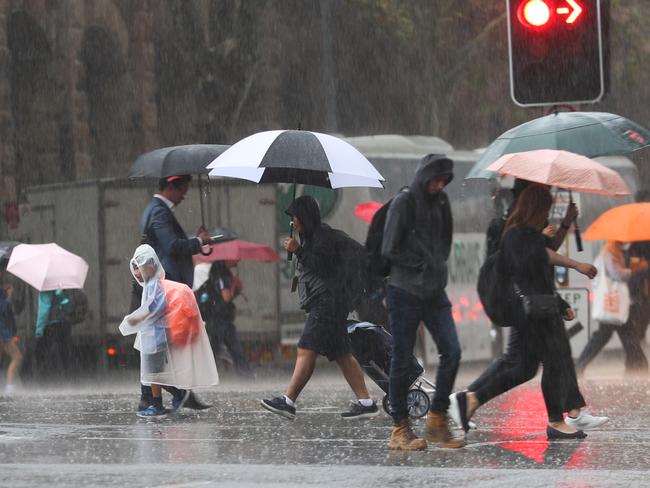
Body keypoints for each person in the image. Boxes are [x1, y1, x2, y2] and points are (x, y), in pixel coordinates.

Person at [450, 185, 607, 440]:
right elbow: (542, 257)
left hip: (538, 308)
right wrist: (576, 264)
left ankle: (470, 400)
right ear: (536, 208)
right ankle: (557, 420)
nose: (547, 212)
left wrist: (566, 223)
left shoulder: (525, 234)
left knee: (524, 367)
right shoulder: (518, 235)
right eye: (545, 208)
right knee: (555, 359)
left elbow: (543, 259)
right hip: (533, 313)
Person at [261, 195, 379, 420]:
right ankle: (366, 402)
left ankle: (288, 401)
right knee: (343, 354)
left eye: (295, 216)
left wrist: (298, 251)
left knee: (306, 349)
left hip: (327, 304)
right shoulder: (312, 237)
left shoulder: (322, 237)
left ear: (304, 216)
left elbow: (325, 269)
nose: (293, 221)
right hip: (329, 304)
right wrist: (299, 249)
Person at [463, 182, 579, 411]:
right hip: (524, 303)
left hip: (533, 302)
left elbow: (546, 252)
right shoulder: (515, 229)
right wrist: (575, 265)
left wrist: (565, 223)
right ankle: (469, 398)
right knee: (537, 360)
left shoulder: (528, 226)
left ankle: (571, 410)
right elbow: (533, 262)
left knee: (530, 363)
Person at [381, 153, 464, 450]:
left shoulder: (442, 203)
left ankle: (437, 420)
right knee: (401, 358)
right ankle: (400, 428)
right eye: (436, 179)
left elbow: (445, 240)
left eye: (444, 181)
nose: (440, 185)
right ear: (424, 176)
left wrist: (437, 265)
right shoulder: (404, 203)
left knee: (452, 351)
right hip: (404, 291)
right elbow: (389, 248)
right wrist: (420, 264)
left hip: (433, 291)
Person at [134, 174, 212, 412]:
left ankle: (158, 396)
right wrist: (197, 242)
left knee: (161, 348)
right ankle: (163, 396)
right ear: (170, 187)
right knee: (163, 347)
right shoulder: (158, 211)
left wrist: (197, 242)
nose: (184, 195)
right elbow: (171, 246)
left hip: (161, 288)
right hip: (165, 288)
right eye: (182, 190)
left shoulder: (155, 210)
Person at [120, 245, 219, 418]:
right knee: (155, 373)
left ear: (150, 266)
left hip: (156, 337)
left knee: (154, 374)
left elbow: (154, 308)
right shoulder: (152, 284)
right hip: (154, 337)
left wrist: (134, 320)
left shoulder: (153, 285)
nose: (136, 272)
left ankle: (160, 404)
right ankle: (179, 396)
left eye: (139, 267)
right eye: (134, 268)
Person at [575, 240, 649, 374]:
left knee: (627, 334)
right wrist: (637, 269)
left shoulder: (615, 251)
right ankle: (579, 366)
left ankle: (639, 366)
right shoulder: (609, 252)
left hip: (617, 305)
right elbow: (617, 275)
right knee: (606, 335)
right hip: (612, 304)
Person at [196, 260, 254, 377]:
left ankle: (204, 375)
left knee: (215, 350)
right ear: (227, 258)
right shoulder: (222, 273)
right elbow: (226, 297)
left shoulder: (218, 271)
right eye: (234, 258)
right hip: (219, 320)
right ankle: (246, 375)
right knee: (233, 349)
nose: (237, 260)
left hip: (216, 319)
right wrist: (235, 287)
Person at [34, 289, 72, 376]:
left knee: (41, 353)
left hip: (51, 327)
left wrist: (39, 330)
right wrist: (60, 295)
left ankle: (47, 377)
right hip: (65, 325)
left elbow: (44, 311)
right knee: (64, 353)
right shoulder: (64, 289)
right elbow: (69, 308)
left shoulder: (45, 291)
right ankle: (65, 375)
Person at [0, 282, 22, 395]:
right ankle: (9, 387)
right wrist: (8, 297)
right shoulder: (4, 299)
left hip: (4, 333)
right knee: (17, 357)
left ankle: (9, 387)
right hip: (3, 334)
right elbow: (3, 312)